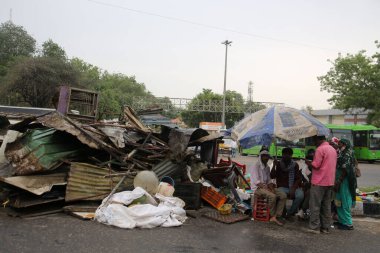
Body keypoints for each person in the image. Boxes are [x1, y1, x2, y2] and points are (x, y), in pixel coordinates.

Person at [305, 135, 337, 234]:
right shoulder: (332, 149)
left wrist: (308, 163)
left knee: (315, 205)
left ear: (318, 140)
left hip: (319, 181)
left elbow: (316, 165)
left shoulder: (320, 149)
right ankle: (325, 227)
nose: (314, 143)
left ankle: (314, 227)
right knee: (326, 205)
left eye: (314, 140)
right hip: (330, 181)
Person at [249, 150, 287, 226]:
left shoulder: (267, 167)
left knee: (283, 195)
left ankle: (277, 215)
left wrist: (271, 188)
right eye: (265, 157)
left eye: (267, 157)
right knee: (272, 196)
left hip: (266, 187)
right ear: (261, 157)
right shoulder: (256, 166)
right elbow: (257, 182)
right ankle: (272, 216)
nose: (266, 159)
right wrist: (268, 189)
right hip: (257, 189)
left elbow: (269, 180)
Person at [271, 147, 304, 218]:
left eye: (288, 154)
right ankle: (283, 211)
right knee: (282, 195)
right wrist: (274, 165)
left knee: (300, 196)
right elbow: (272, 176)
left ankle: (289, 212)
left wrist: (293, 188)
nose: (286, 156)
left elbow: (298, 178)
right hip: (282, 187)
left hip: (293, 187)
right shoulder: (279, 164)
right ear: (282, 155)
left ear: (291, 155)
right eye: (284, 154)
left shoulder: (295, 165)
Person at [334, 139, 357, 230]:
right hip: (339, 179)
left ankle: (348, 223)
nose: (338, 144)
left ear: (344, 144)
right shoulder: (342, 152)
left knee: (345, 200)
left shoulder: (347, 153)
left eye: (339, 143)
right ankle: (342, 221)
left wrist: (339, 180)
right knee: (338, 200)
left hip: (344, 181)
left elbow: (345, 169)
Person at [296, 149, 315, 220]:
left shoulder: (315, 169)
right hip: (304, 186)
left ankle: (303, 210)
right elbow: (299, 176)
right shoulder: (304, 168)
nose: (306, 162)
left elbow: (313, 181)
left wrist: (307, 184)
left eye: (308, 161)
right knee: (302, 193)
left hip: (313, 187)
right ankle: (301, 211)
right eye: (306, 161)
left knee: (309, 193)